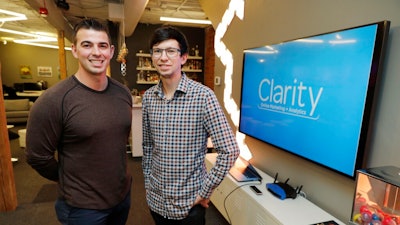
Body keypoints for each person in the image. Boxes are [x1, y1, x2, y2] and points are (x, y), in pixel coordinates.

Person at [26, 18, 132, 225]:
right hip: (82, 209)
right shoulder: (54, 100)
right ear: (74, 50)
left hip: (122, 198)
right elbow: (37, 157)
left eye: (102, 45)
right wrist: (70, 181)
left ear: (111, 51)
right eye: (87, 45)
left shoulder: (123, 93)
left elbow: (116, 142)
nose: (96, 52)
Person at [142, 26, 240, 225]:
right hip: (156, 201)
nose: (163, 57)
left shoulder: (203, 96)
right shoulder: (149, 98)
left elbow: (229, 150)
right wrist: (147, 181)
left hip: (189, 205)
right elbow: (147, 145)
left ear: (183, 58)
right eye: (157, 51)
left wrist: (205, 191)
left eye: (171, 51)